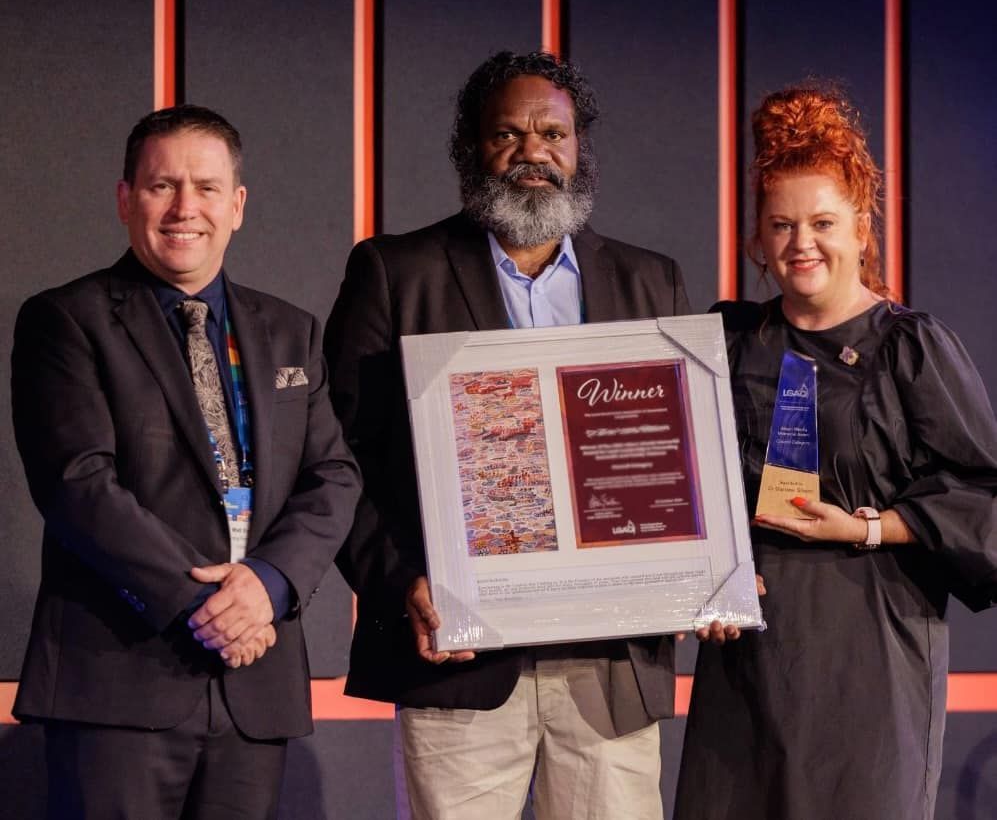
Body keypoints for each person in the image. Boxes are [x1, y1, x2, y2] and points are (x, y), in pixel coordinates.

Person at [325, 50, 719, 820]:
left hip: (609, 664)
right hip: (457, 657)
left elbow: (681, 458)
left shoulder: (650, 280)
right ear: (471, 149)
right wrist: (403, 582)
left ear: (578, 148)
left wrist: (703, 569)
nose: (531, 152)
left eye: (552, 134)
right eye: (506, 134)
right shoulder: (395, 273)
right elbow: (340, 456)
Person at [10, 104, 362, 819]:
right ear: (124, 199)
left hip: (255, 685)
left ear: (237, 206)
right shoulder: (67, 319)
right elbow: (79, 484)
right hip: (120, 683)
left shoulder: (290, 330)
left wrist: (267, 587)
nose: (184, 208)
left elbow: (333, 477)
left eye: (206, 187)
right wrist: (215, 610)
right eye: (161, 186)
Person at [673, 84, 997, 820]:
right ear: (757, 238)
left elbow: (983, 499)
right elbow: (680, 482)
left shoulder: (910, 347)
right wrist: (703, 580)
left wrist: (867, 526)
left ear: (860, 228)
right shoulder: (727, 343)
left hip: (870, 655)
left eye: (822, 223)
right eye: (781, 225)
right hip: (748, 663)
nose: (801, 244)